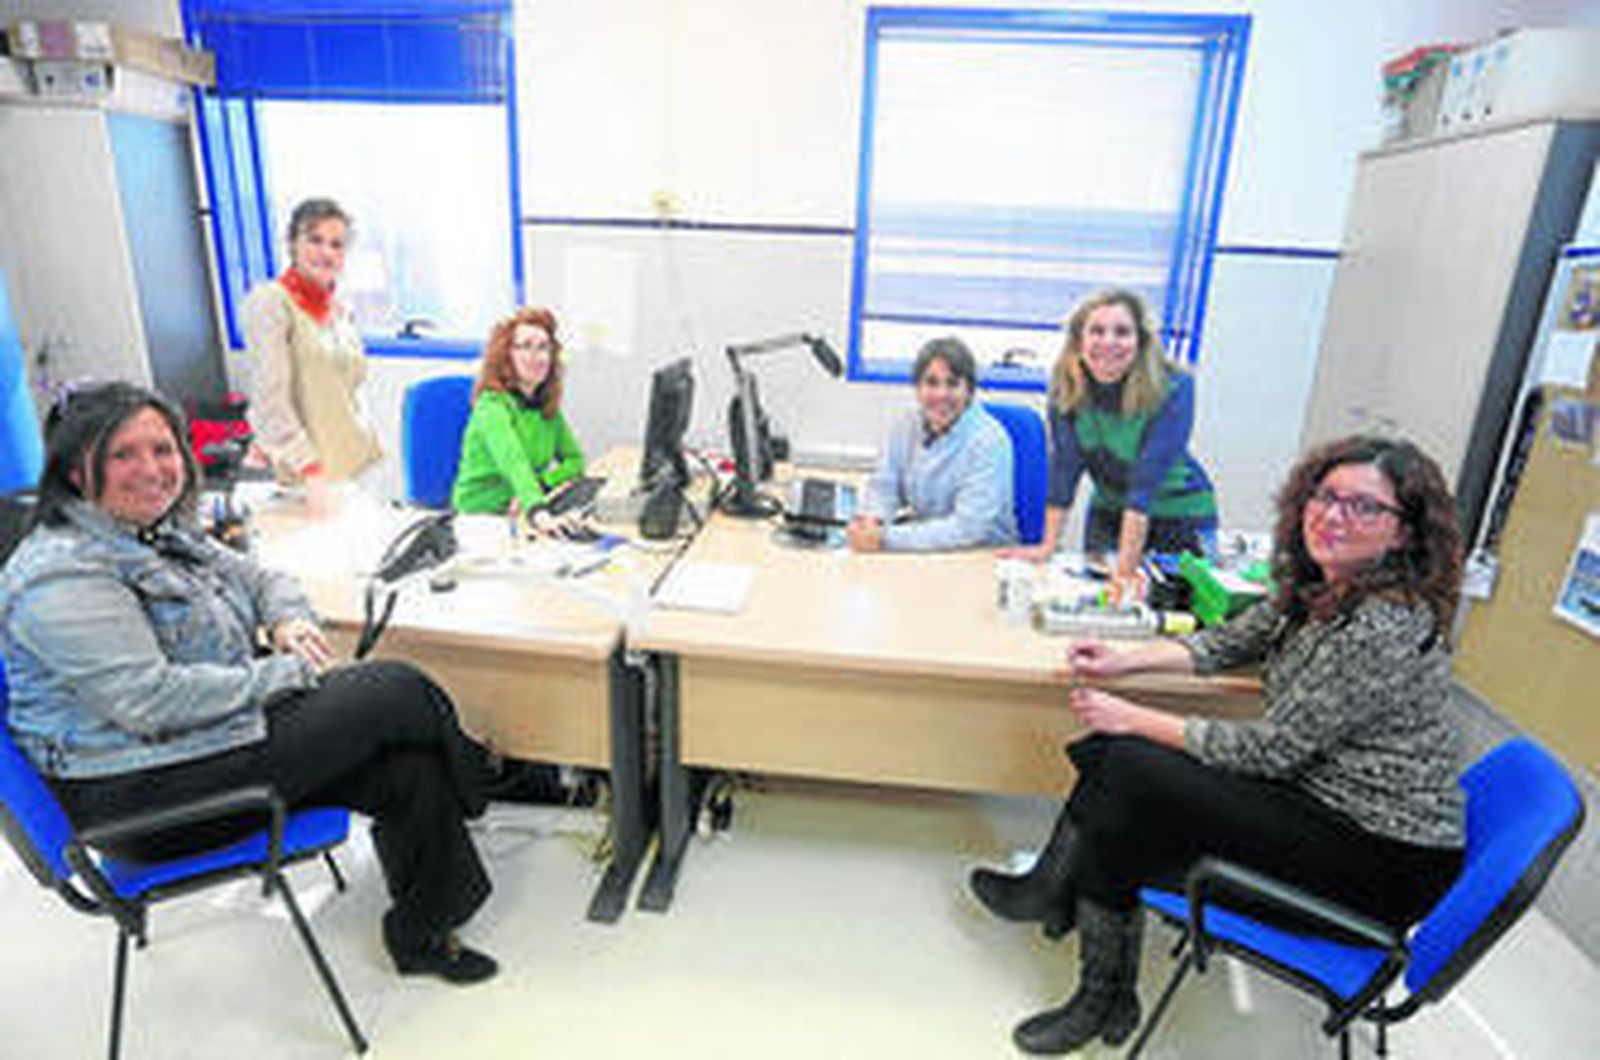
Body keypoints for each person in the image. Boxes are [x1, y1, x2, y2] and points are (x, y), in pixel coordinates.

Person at [971, 435, 1467, 1055]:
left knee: (1128, 771)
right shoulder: (1322, 587)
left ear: (1403, 533)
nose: (1334, 515)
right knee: (1120, 777)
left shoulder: (1381, 625)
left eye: (1364, 507)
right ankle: (1062, 901)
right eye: (1326, 495)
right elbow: (1228, 642)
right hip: (1326, 807)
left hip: (1378, 856)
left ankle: (1096, 981)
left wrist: (1132, 716)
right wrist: (1123, 662)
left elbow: (1269, 752)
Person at [0, 383, 498, 985]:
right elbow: (149, 701)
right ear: (77, 470)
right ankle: (479, 777)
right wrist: (286, 673)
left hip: (198, 748)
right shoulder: (59, 574)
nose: (153, 469)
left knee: (407, 763)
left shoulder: (153, 531)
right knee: (394, 689)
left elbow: (264, 578)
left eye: (163, 449)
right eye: (124, 454)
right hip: (140, 797)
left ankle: (421, 932)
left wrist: (286, 619)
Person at [1000, 289, 1217, 601]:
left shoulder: (1174, 386)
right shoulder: (1067, 388)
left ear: (1140, 341)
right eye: (1097, 331)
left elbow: (1144, 486)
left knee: (1162, 615)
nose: (1108, 342)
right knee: (1097, 608)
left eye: (1122, 332)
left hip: (1180, 516)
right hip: (1108, 514)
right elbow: (1064, 471)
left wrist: (1126, 573)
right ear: (1078, 340)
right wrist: (1047, 546)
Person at [241, 197, 382, 514]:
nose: (326, 252)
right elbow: (269, 399)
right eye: (314, 240)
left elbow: (348, 391)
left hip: (356, 465)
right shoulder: (270, 303)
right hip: (307, 477)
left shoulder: (341, 309)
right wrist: (309, 468)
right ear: (292, 244)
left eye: (337, 244)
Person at [847, 337, 1018, 552]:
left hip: (981, 556)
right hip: (924, 551)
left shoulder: (990, 441)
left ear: (969, 391)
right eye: (931, 382)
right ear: (917, 388)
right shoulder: (906, 426)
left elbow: (968, 529)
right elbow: (884, 485)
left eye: (953, 383)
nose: (941, 394)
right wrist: (872, 522)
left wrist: (885, 537)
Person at [451, 307, 587, 533]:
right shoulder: (492, 406)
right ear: (506, 356)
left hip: (523, 506)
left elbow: (575, 461)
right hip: (482, 517)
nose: (537, 356)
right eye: (525, 346)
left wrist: (542, 485)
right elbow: (514, 462)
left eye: (544, 347)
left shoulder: (544, 405)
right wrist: (538, 511)